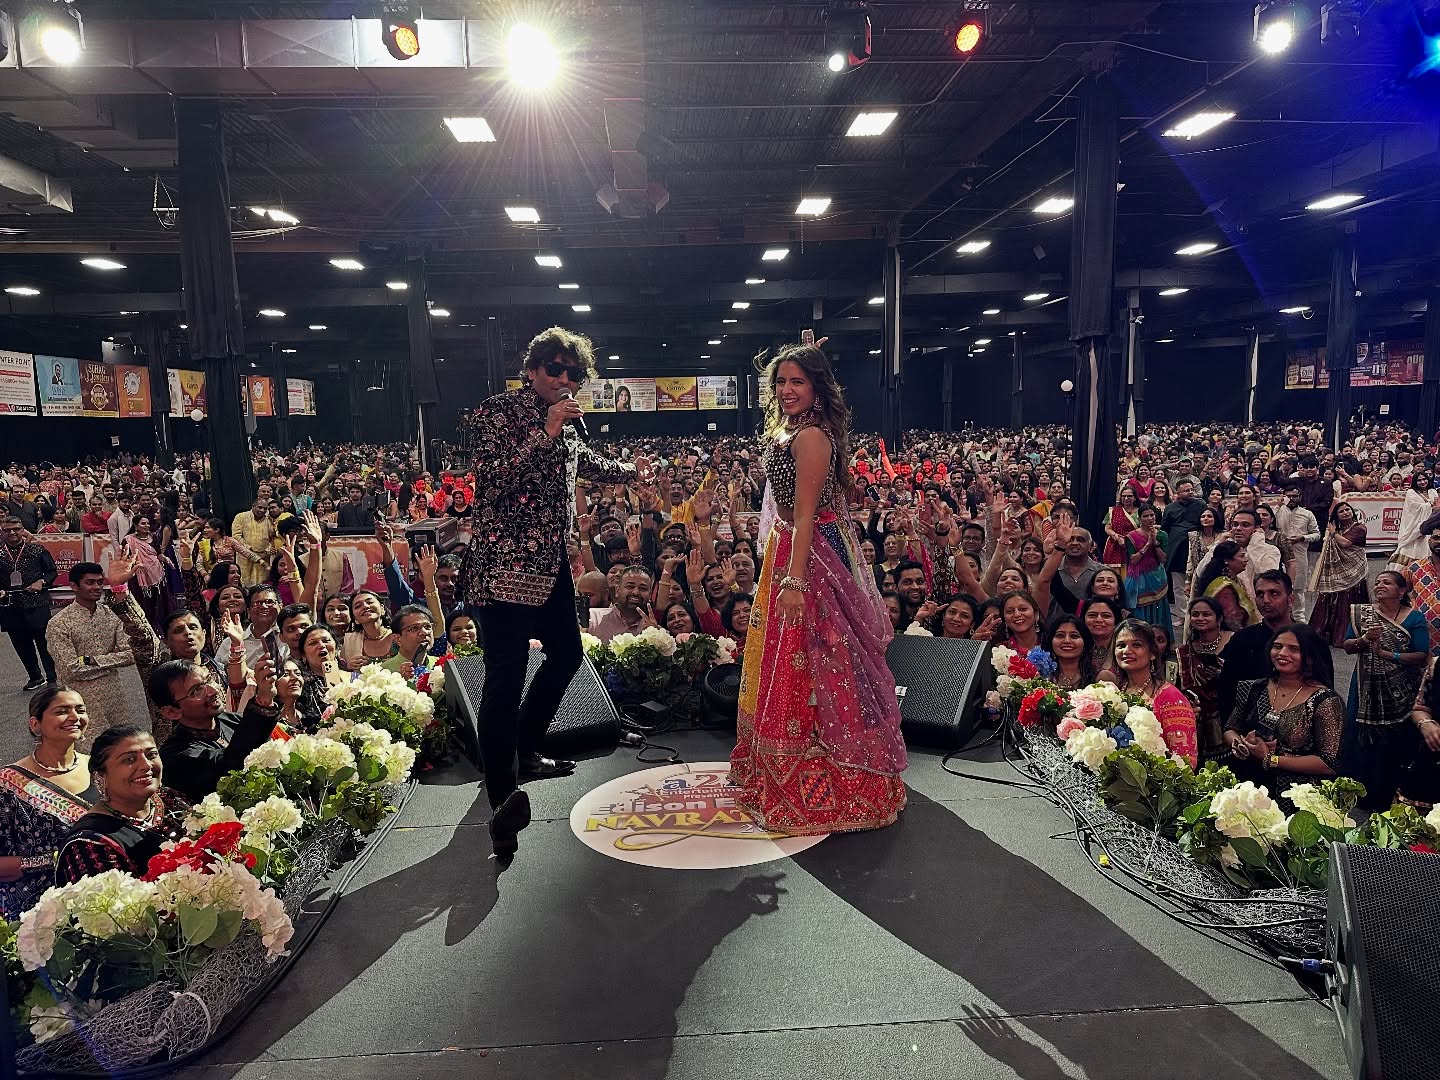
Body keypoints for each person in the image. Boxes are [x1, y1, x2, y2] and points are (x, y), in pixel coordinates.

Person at [456, 326, 641, 860]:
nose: (564, 379)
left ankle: (526, 745)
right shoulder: (495, 412)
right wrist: (546, 427)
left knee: (568, 655)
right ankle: (501, 799)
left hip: (552, 563)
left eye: (573, 373)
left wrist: (634, 471)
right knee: (504, 678)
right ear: (532, 368)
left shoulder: (568, 419)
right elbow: (491, 478)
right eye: (555, 369)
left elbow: (592, 466)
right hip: (504, 564)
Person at [731, 340, 906, 836]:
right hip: (792, 548)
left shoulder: (811, 438)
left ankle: (840, 782)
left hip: (811, 555)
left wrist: (795, 578)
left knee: (826, 657)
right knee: (790, 659)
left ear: (817, 387)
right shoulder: (792, 428)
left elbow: (806, 512)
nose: (787, 390)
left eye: (798, 381)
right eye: (781, 381)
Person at [0, 688, 98, 917]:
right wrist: (53, 861)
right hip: (43, 909)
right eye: (62, 711)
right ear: (36, 724)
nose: (74, 717)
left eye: (80, 710)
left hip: (109, 893)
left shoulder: (99, 767)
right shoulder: (7, 784)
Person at [1340, 570, 1430, 809]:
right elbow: (1347, 646)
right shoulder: (1363, 615)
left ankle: (1391, 792)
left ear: (1402, 591)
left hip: (1402, 689)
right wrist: (1365, 640)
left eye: (1387, 582)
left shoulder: (1414, 618)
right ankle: (1358, 791)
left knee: (1395, 739)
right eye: (1377, 582)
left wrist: (1388, 655)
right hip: (1365, 686)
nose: (1379, 585)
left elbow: (1421, 656)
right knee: (1360, 736)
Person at [54, 725, 189, 884]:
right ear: (100, 776)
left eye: (151, 754)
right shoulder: (91, 844)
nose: (146, 766)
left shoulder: (170, 799)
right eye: (129, 759)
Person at [1223, 625, 1342, 789]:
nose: (1282, 653)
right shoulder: (1254, 688)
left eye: (1294, 649)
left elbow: (1328, 763)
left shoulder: (1324, 700)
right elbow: (1230, 729)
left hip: (1296, 795)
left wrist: (1271, 759)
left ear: (1310, 657)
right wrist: (1243, 745)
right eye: (1277, 646)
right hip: (1247, 787)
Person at [150, 658, 283, 803]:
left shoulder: (233, 720)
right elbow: (229, 766)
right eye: (196, 691)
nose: (213, 691)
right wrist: (262, 701)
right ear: (171, 712)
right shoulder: (175, 756)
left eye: (209, 680)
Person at [45, 561, 133, 745]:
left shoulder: (111, 614)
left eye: (100, 582)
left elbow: (131, 654)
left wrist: (90, 660)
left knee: (123, 745)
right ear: (74, 586)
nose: (97, 587)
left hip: (114, 695)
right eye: (90, 582)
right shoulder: (60, 623)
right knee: (88, 752)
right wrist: (111, 662)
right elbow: (71, 670)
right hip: (80, 699)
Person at [1113, 618, 1198, 766]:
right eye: (1121, 645)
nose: (1127, 651)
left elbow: (1186, 762)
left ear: (1152, 653)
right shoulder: (1114, 693)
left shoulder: (1169, 696)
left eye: (1136, 645)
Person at [1215, 569, 1296, 720]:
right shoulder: (1243, 639)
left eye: (1274, 593)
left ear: (1290, 599)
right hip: (1249, 730)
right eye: (1260, 594)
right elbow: (1227, 690)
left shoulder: (1307, 640)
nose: (1265, 600)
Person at [0, 515, 58, 690]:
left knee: (45, 642)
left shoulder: (37, 550)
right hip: (9, 605)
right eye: (7, 529)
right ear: (2, 532)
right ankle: (35, 677)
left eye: (16, 529)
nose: (12, 532)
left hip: (37, 602)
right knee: (21, 644)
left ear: (23, 530)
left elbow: (51, 572)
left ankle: (52, 677)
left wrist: (42, 582)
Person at [1177, 596, 1233, 760]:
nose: (1200, 618)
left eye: (1206, 614)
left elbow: (1245, 677)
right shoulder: (1186, 650)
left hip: (1229, 714)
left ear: (1219, 618)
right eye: (1195, 614)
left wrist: (1223, 677)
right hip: (1199, 720)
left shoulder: (1235, 640)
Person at [1309, 501, 1369, 647]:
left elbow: (1346, 543)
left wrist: (1333, 533)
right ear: (1337, 515)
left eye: (1348, 509)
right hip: (1336, 570)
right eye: (1341, 511)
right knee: (1331, 596)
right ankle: (1328, 634)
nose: (1346, 512)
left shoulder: (1360, 528)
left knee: (1349, 598)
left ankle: (1348, 634)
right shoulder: (1337, 530)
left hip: (1354, 568)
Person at [1275, 486, 1321, 622]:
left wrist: (1302, 538)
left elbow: (1317, 534)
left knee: (1298, 589)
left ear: (1299, 497)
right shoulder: (1277, 511)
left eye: (1295, 496)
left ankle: (1300, 621)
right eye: (1289, 496)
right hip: (1278, 555)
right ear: (1284, 496)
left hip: (1299, 555)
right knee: (1279, 587)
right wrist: (1277, 506)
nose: (1292, 499)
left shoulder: (1307, 514)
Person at [1123, 504, 1170, 630]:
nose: (1149, 518)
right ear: (1139, 519)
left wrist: (1155, 544)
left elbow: (1163, 559)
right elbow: (1133, 560)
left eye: (1152, 515)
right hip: (1138, 579)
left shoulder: (1162, 535)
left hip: (1157, 577)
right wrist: (1147, 544)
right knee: (1139, 609)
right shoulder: (1131, 536)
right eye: (1145, 516)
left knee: (1158, 607)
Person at [1194, 540, 1258, 632]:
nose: (1246, 559)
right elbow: (1232, 620)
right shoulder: (1224, 588)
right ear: (1227, 560)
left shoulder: (1232, 581)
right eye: (1241, 556)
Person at [1388, 471, 1437, 569]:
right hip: (1415, 526)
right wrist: (1430, 505)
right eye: (1419, 480)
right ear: (1415, 482)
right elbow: (1413, 507)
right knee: (1410, 548)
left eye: (1424, 479)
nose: (1423, 482)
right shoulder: (1411, 492)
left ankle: (1428, 570)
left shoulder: (1432, 491)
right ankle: (1407, 572)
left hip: (1431, 524)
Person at [1043, 614, 1096, 692]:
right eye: (1060, 635)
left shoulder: (1100, 677)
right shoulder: (1040, 677)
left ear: (1085, 642)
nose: (1067, 641)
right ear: (1050, 641)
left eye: (1074, 636)